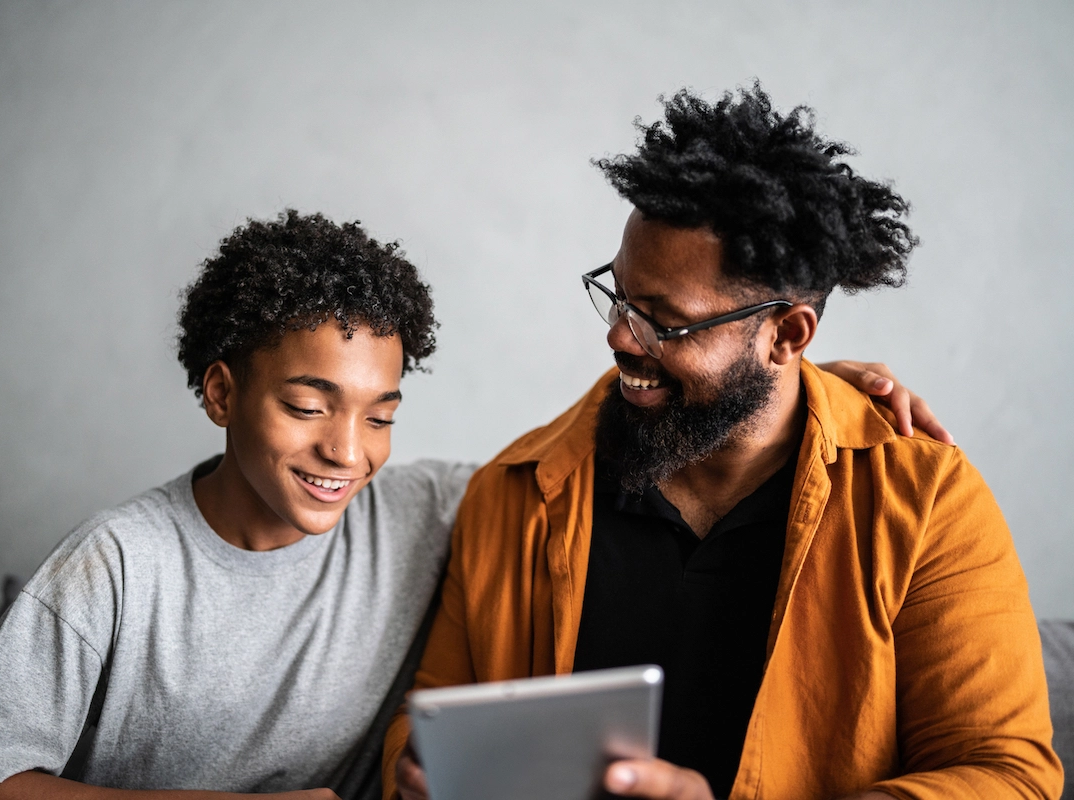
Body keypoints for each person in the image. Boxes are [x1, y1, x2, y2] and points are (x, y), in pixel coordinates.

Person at [0, 210, 941, 800]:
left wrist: (795, 389)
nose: (345, 452)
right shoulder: (116, 565)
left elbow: (585, 452)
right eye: (307, 406)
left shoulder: (430, 509)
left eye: (380, 412)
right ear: (221, 393)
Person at [387, 84, 1063, 800]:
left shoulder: (928, 504)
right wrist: (422, 774)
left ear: (787, 335)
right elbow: (423, 719)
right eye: (618, 297)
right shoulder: (516, 490)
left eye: (664, 321)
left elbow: (1008, 776)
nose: (618, 336)